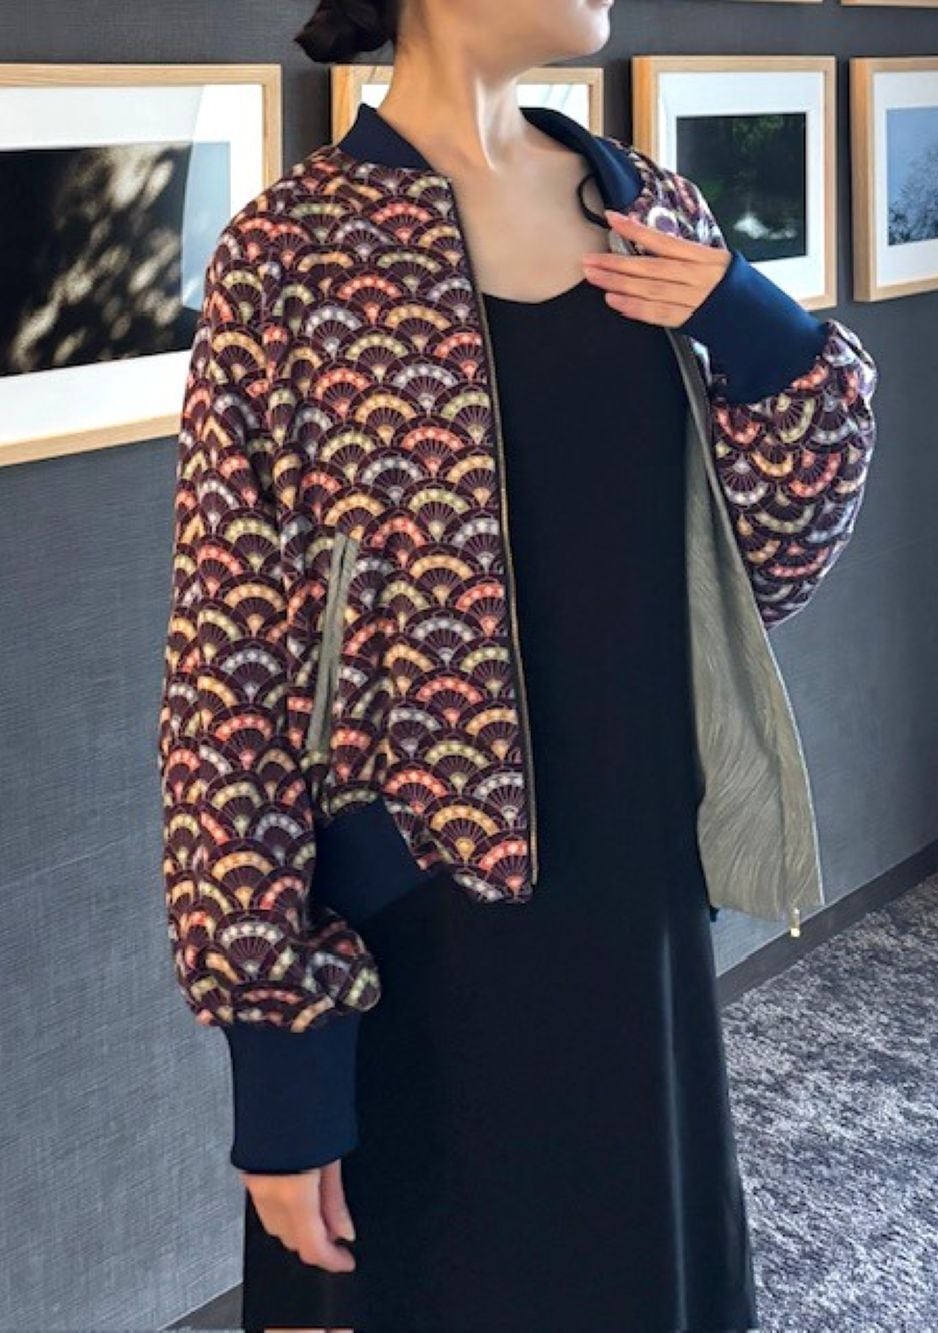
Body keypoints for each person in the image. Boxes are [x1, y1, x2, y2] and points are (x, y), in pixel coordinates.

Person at [156, 0, 878, 1329]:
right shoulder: (292, 256)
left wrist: (760, 327)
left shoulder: (646, 209)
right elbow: (228, 682)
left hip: (637, 905)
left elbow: (759, 566)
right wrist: (280, 1057)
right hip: (411, 933)